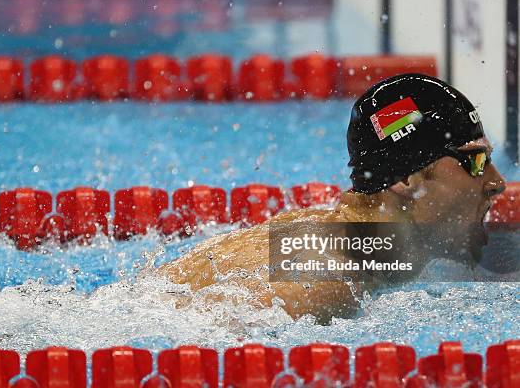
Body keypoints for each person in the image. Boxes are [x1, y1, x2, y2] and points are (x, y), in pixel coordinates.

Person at [158, 73, 506, 323]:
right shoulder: (328, 280)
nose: (498, 183)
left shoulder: (348, 239)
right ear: (405, 179)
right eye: (475, 160)